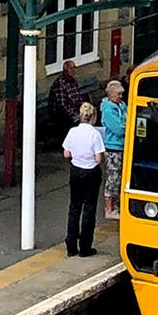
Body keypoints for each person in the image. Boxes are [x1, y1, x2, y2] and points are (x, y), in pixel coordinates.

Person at [62, 102, 104, 257]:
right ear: (93, 117)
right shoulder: (95, 134)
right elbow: (99, 159)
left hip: (75, 171)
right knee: (89, 208)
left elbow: (66, 153)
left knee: (74, 207)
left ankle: (71, 245)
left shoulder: (73, 132)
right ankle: (85, 247)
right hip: (91, 172)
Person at [99, 80, 127, 219]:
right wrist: (126, 125)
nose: (121, 97)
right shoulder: (108, 110)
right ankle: (109, 208)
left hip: (123, 146)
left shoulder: (122, 106)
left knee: (122, 177)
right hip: (113, 147)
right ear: (111, 95)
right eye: (118, 94)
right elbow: (119, 129)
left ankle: (117, 206)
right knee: (113, 177)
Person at [48, 59, 86, 145]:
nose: (73, 70)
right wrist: (75, 114)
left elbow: (78, 97)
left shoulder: (73, 81)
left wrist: (83, 108)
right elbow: (62, 105)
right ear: (65, 70)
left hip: (74, 108)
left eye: (74, 68)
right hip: (60, 112)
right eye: (71, 68)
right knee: (71, 121)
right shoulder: (60, 83)